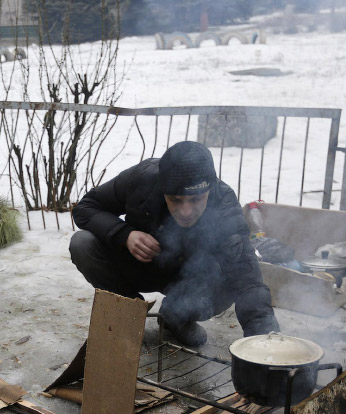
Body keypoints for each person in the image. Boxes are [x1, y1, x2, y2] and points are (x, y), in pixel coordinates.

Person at [70, 141, 280, 347]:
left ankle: (174, 318)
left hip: (191, 284)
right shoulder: (143, 179)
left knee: (230, 279)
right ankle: (131, 311)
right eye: (176, 200)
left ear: (209, 190)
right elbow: (86, 207)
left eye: (196, 199)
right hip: (142, 265)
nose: (186, 211)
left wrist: (265, 341)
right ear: (163, 190)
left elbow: (248, 278)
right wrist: (125, 234)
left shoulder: (224, 203)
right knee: (82, 243)